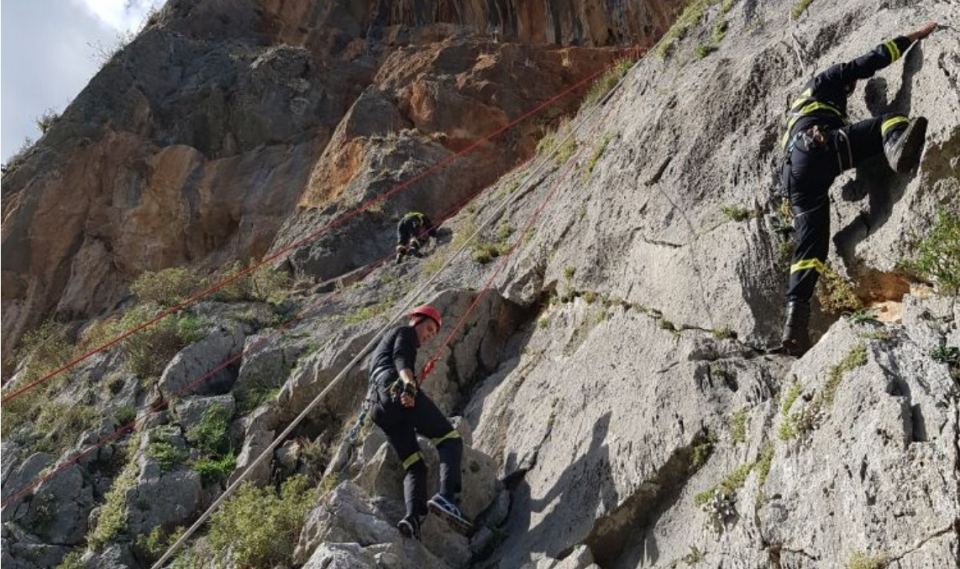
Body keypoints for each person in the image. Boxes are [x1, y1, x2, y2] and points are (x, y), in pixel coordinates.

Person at [777, 22, 937, 356]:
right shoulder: (826, 80)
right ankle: (895, 150)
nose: (850, 88)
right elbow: (869, 61)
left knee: (811, 250)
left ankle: (794, 331)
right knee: (888, 122)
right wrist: (911, 37)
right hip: (816, 147)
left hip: (794, 176)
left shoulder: (799, 108)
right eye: (850, 87)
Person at [367, 304, 471, 539]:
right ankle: (446, 496)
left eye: (434, 333)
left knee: (415, 465)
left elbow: (394, 367)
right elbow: (401, 358)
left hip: (379, 407)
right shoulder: (404, 332)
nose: (429, 335)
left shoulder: (386, 346)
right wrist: (409, 381)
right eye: (429, 328)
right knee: (450, 439)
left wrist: (416, 379)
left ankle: (412, 519)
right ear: (416, 320)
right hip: (393, 387)